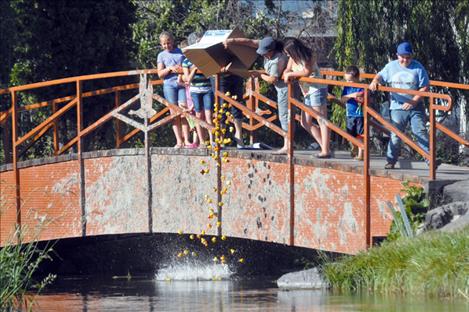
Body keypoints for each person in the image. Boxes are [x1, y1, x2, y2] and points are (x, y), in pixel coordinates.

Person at [369, 42, 430, 169]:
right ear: (397, 55)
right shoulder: (391, 66)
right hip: (397, 107)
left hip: (415, 106)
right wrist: (375, 81)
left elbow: (424, 87)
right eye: (402, 57)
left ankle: (430, 160)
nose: (405, 60)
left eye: (408, 57)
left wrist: (413, 101)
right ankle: (391, 161)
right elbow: (380, 75)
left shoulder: (418, 67)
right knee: (396, 135)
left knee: (420, 132)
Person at [224, 36, 289, 153]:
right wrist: (231, 41)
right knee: (285, 116)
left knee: (284, 116)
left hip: (285, 89)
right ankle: (288, 143)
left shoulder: (278, 59)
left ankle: (287, 145)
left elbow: (272, 79)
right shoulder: (265, 44)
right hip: (280, 88)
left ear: (271, 51)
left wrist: (259, 75)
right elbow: (249, 42)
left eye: (265, 53)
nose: (263, 55)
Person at [283, 38, 331, 158]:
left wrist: (290, 74)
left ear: (295, 51)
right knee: (305, 122)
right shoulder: (292, 59)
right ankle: (324, 146)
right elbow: (287, 69)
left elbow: (306, 72)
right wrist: (286, 73)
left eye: (288, 52)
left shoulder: (308, 55)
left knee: (321, 119)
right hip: (306, 91)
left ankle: (325, 150)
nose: (287, 55)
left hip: (317, 89)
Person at [157, 31, 193, 148]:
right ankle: (178, 141)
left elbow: (188, 66)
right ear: (161, 44)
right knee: (174, 114)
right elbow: (160, 74)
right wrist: (170, 69)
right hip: (169, 85)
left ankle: (187, 140)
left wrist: (181, 70)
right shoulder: (161, 55)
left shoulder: (180, 52)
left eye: (168, 43)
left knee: (184, 112)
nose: (167, 46)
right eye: (164, 44)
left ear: (173, 41)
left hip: (182, 84)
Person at [182, 35, 214, 147]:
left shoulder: (207, 58)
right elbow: (188, 80)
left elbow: (212, 73)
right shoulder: (186, 62)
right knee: (198, 116)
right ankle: (202, 142)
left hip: (207, 89)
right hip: (195, 90)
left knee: (209, 116)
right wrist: (195, 69)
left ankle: (212, 140)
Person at [341, 65, 364, 161]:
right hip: (349, 114)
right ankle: (355, 146)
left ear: (357, 78)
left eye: (350, 80)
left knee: (360, 135)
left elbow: (361, 96)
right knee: (350, 135)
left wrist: (351, 96)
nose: (348, 82)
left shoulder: (361, 87)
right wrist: (353, 95)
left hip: (360, 115)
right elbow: (342, 99)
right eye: (347, 80)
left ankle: (360, 154)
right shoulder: (347, 87)